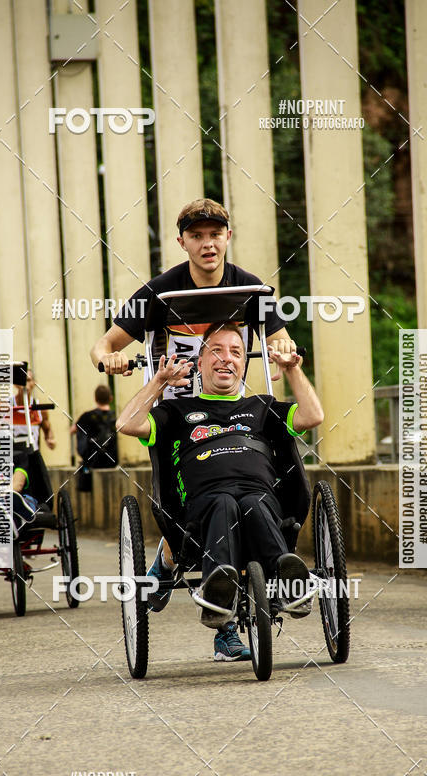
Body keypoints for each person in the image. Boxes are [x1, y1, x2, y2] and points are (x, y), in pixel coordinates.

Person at [91, 198, 297, 660]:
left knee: (241, 488)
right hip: (176, 410)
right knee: (190, 498)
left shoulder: (251, 288)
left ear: (228, 237)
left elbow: (280, 337)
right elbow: (104, 343)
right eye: (197, 236)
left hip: (230, 404)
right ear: (182, 241)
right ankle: (168, 561)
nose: (207, 243)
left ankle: (228, 616)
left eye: (215, 234)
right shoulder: (158, 293)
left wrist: (285, 353)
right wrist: (111, 358)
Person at [116, 322, 324, 650]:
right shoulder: (176, 410)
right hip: (203, 503)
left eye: (236, 352)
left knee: (252, 502)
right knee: (224, 502)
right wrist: (159, 382)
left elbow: (313, 417)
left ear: (243, 364)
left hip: (261, 495)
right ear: (199, 362)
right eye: (216, 350)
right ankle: (220, 606)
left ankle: (287, 586)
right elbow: (126, 424)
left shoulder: (263, 406)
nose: (226, 358)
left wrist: (291, 371)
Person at [70, 385, 118, 491]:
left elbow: (72, 430)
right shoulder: (116, 416)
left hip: (93, 462)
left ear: (95, 399)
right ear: (111, 398)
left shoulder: (87, 416)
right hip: (112, 461)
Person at [13, 369, 56, 452]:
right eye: (22, 381)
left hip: (32, 455)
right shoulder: (7, 406)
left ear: (34, 383)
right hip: (12, 457)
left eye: (28, 380)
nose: (25, 384)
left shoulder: (40, 409)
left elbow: (47, 430)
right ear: (15, 384)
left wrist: (50, 440)